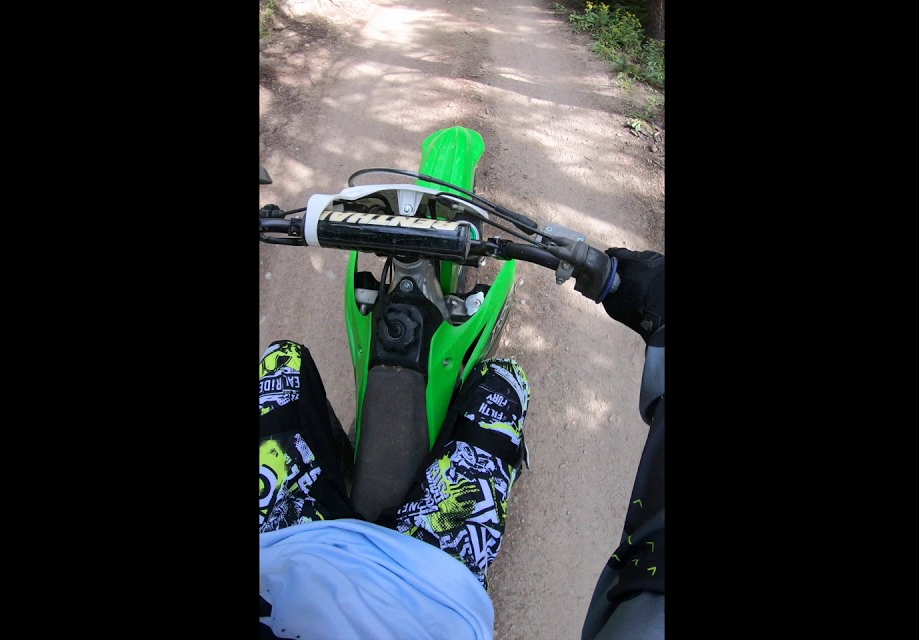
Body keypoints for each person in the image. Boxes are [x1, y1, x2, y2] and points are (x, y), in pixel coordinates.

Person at [259, 248, 666, 640]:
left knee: (281, 358)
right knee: (505, 381)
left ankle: (333, 467)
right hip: (431, 585)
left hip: (281, 550)